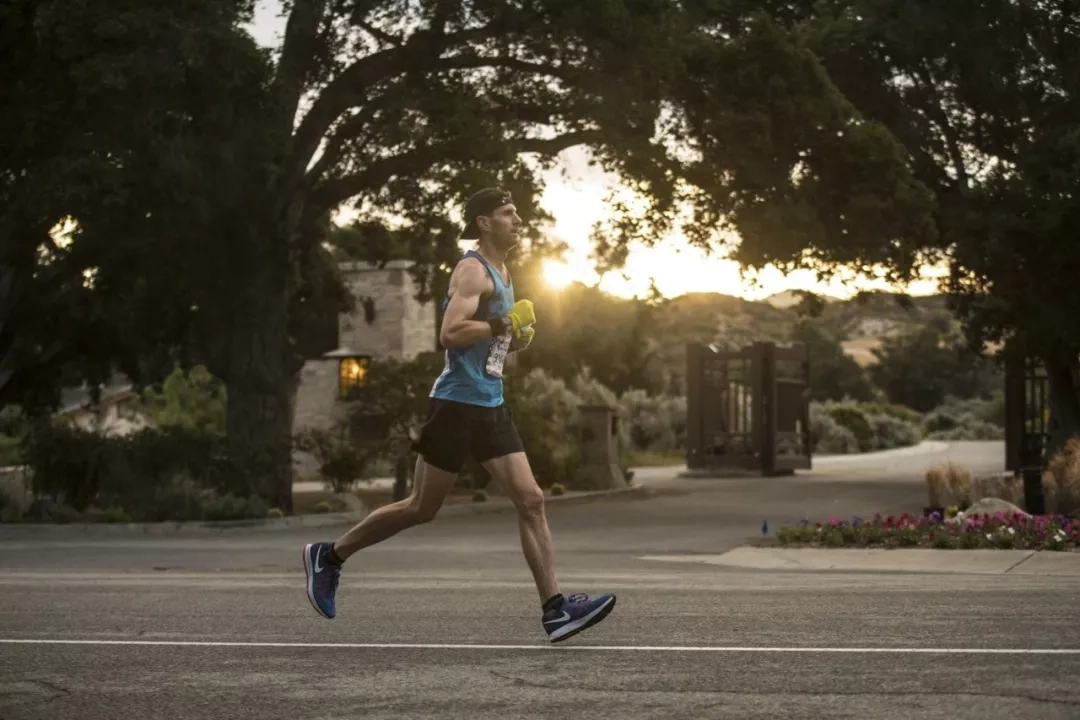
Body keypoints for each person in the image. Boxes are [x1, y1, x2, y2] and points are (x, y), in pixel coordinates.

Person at [302, 187, 616, 643]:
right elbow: (450, 333)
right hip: (455, 405)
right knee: (420, 508)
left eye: (518, 212)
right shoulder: (472, 269)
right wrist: (503, 324)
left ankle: (555, 610)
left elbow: (487, 340)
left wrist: (515, 338)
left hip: (489, 402)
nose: (519, 220)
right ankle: (329, 555)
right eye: (509, 214)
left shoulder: (504, 273)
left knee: (531, 500)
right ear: (484, 223)